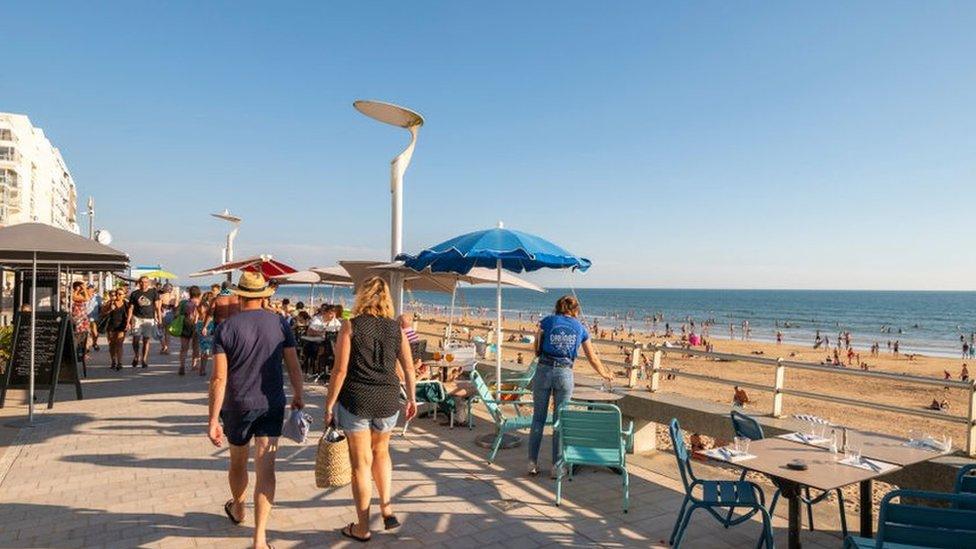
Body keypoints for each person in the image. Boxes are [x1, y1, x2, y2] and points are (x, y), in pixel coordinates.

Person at [207, 272, 304, 549]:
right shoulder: (280, 323)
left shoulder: (225, 328)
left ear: (239, 295)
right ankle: (260, 539)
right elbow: (293, 365)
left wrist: (213, 418)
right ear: (264, 295)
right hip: (271, 402)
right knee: (266, 470)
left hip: (237, 405)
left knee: (237, 463)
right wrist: (298, 393)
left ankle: (238, 507)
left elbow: (218, 378)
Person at [323, 277, 418, 543]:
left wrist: (329, 404)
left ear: (362, 297)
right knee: (382, 452)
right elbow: (409, 368)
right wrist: (411, 398)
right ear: (387, 299)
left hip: (357, 400)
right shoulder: (396, 329)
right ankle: (386, 506)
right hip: (388, 400)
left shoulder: (350, 326)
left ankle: (362, 527)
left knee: (361, 465)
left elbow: (340, 371)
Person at [529, 295, 612, 478]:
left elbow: (536, 348)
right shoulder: (580, 328)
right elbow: (592, 357)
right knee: (561, 421)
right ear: (575, 310)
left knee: (538, 419)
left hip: (543, 370)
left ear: (558, 307)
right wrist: (605, 374)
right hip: (565, 373)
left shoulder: (547, 321)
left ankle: (532, 463)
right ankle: (556, 467)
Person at [126, 276, 162, 368]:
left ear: (149, 283)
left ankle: (144, 359)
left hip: (149, 319)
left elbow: (158, 308)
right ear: (139, 283)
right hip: (137, 318)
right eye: (142, 282)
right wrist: (128, 322)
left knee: (146, 340)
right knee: (136, 339)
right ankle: (136, 355)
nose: (144, 284)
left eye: (146, 282)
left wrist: (160, 321)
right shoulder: (134, 294)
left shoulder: (153, 292)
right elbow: (131, 308)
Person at [177, 286, 202, 376]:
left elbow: (177, 314)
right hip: (197, 325)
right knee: (196, 347)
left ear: (190, 293)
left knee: (184, 348)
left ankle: (182, 366)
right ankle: (194, 365)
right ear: (199, 293)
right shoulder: (200, 303)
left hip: (185, 325)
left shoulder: (183, 303)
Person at [102, 288, 129, 370]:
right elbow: (103, 313)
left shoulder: (126, 303)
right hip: (111, 325)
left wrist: (130, 323)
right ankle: (113, 361)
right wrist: (110, 309)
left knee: (119, 344)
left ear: (124, 295)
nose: (118, 296)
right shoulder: (110, 303)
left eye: (120, 294)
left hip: (122, 325)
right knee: (112, 344)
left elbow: (130, 314)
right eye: (116, 294)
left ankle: (119, 362)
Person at [159, 283, 178, 354]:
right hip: (171, 314)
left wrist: (158, 317)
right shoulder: (174, 297)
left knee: (159, 332)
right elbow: (176, 307)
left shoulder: (161, 296)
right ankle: (167, 348)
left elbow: (158, 308)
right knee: (167, 333)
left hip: (163, 314)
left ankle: (164, 346)